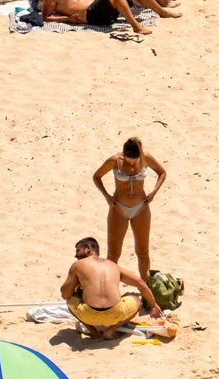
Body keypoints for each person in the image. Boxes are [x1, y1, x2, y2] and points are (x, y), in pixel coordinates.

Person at [93, 136, 165, 279]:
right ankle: (109, 290)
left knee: (143, 252)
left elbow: (162, 172)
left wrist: (154, 192)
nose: (131, 162)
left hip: (141, 208)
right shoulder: (115, 161)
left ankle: (146, 288)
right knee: (113, 254)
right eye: (128, 159)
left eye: (134, 159)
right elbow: (96, 176)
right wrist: (107, 196)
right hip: (119, 208)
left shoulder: (145, 158)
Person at [61, 235, 163, 338]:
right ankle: (111, 330)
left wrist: (76, 286)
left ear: (88, 248)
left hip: (88, 315)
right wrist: (153, 305)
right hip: (115, 314)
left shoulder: (77, 265)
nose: (76, 255)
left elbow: (66, 294)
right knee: (137, 301)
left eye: (78, 251)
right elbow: (140, 283)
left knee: (70, 300)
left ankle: (93, 330)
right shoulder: (113, 265)